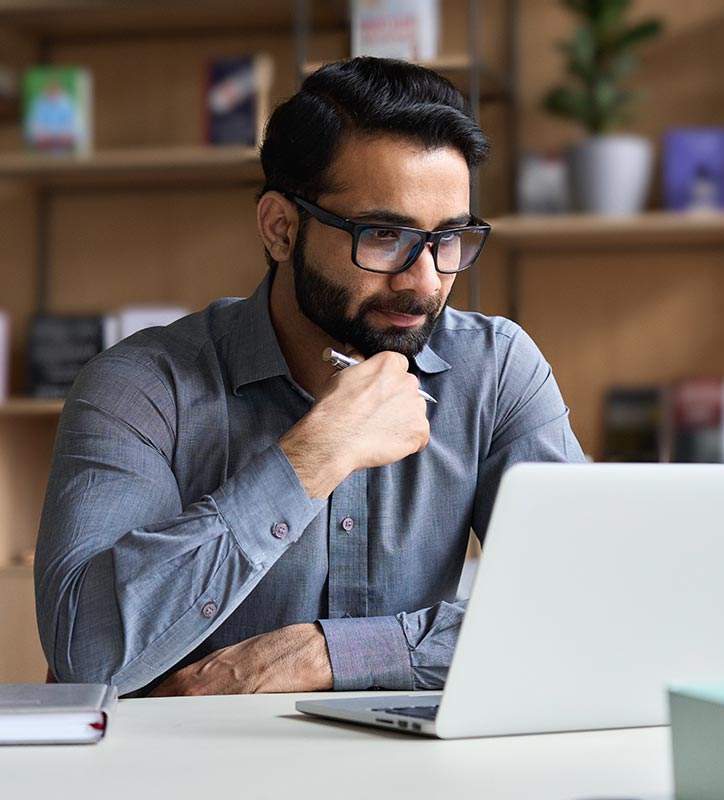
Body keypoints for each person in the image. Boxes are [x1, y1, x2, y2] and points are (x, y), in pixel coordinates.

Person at [34, 57, 584, 698]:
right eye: (384, 235)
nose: (427, 281)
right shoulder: (140, 387)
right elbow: (87, 655)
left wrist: (323, 655)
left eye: (450, 238)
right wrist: (313, 456)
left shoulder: (496, 370)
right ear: (280, 228)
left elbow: (587, 607)